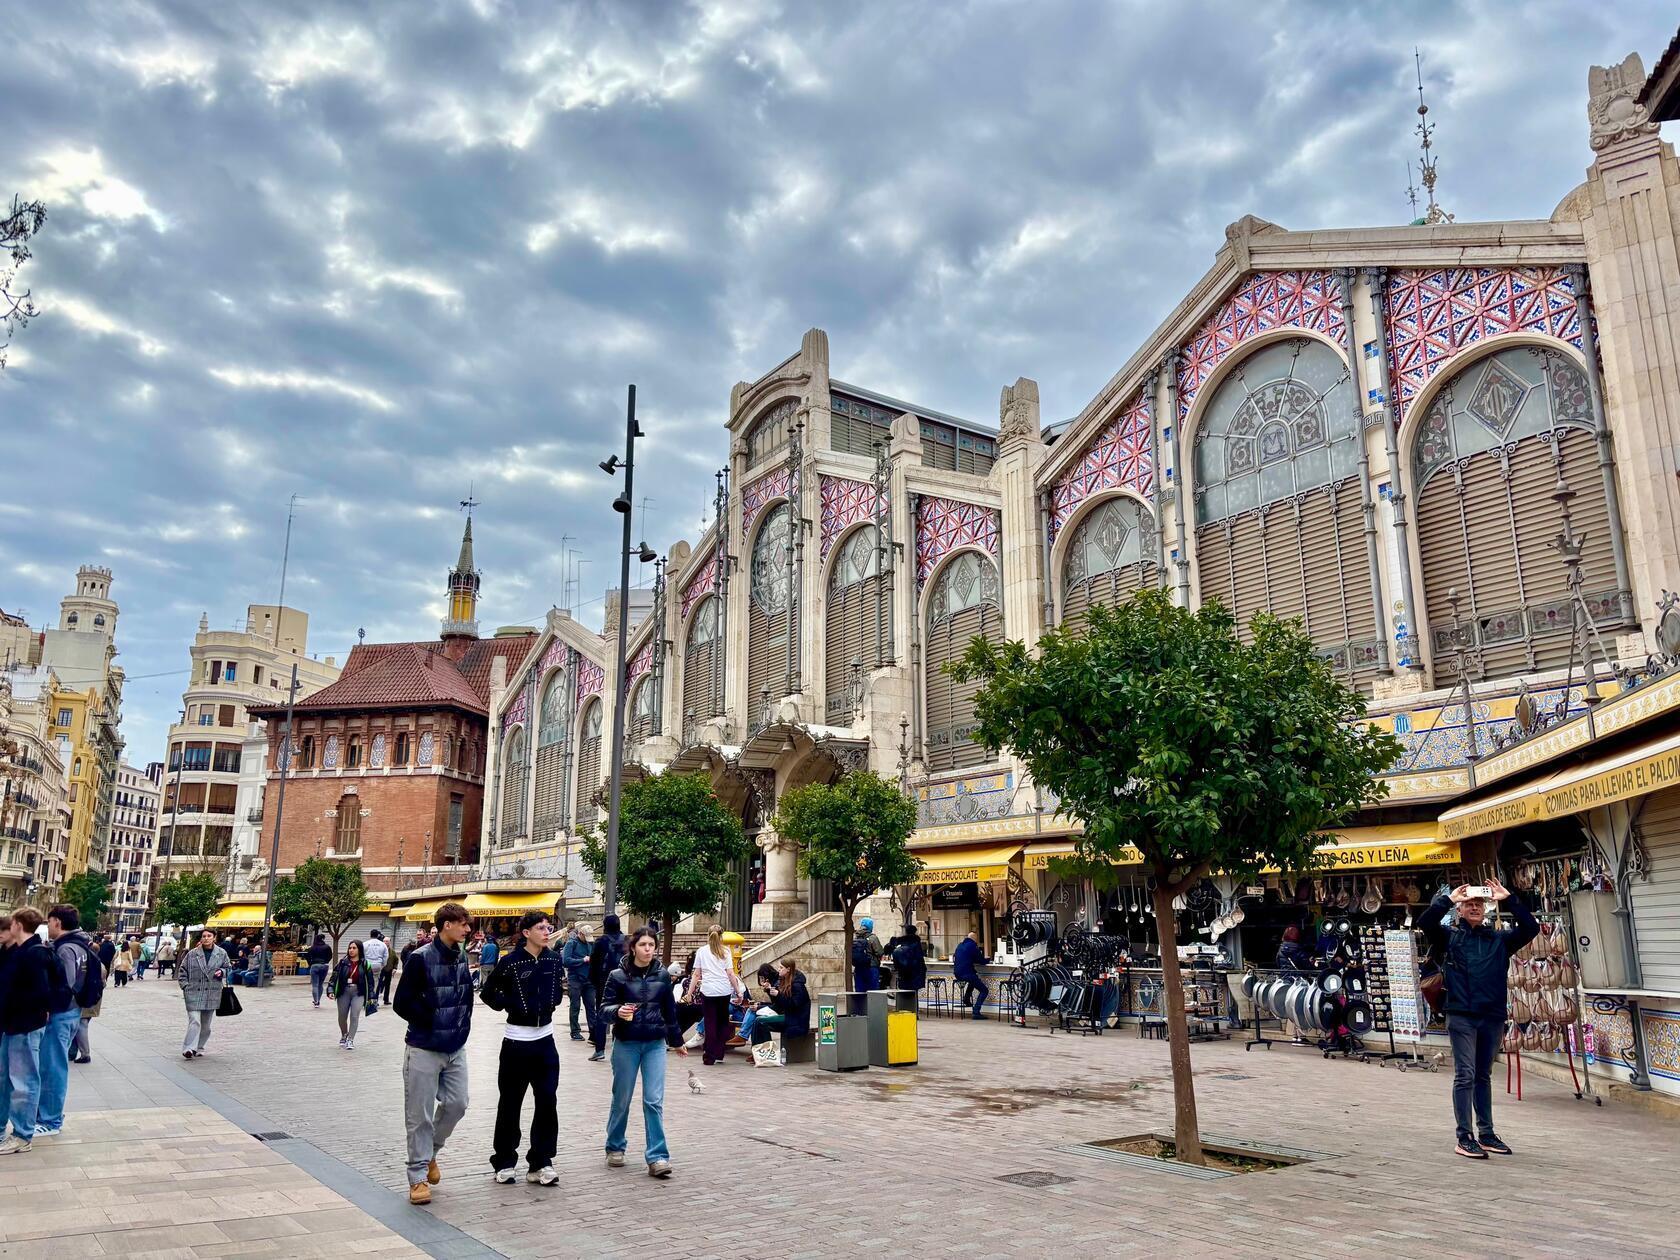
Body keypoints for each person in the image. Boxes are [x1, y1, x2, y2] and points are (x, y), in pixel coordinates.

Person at [1420, 879, 1537, 1160]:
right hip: (1461, 1014)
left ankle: (1486, 1133)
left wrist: (1508, 899)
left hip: (1492, 1016)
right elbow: (1426, 923)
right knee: (1466, 1074)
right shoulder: (1449, 937)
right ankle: (1464, 1136)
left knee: (1483, 1075)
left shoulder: (1499, 940)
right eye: (1469, 904)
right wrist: (1449, 899)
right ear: (1460, 910)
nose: (1474, 908)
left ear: (1485, 909)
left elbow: (1531, 928)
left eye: (1478, 904)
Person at [392, 903, 473, 1206]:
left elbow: (465, 996)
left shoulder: (460, 956)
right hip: (424, 1047)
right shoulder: (420, 958)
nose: (468, 929)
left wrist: (461, 1025)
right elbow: (402, 1002)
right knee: (419, 1115)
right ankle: (417, 1176)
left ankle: (430, 1154)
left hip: (455, 1047)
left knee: (457, 1104)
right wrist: (431, 1019)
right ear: (446, 925)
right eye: (463, 924)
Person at [479, 911, 565, 1186]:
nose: (546, 932)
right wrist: (511, 1003)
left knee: (547, 1101)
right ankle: (504, 1161)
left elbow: (557, 992)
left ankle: (541, 1162)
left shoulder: (554, 959)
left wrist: (550, 1003)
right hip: (516, 1043)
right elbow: (488, 993)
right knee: (510, 1102)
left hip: (546, 1042)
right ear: (526, 933)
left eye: (548, 927)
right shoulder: (511, 962)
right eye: (540, 928)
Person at [600, 926, 684, 1177]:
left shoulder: (663, 976)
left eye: (651, 945)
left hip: (655, 1044)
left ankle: (657, 1156)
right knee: (622, 1098)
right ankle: (615, 1146)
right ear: (633, 948)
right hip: (627, 1043)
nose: (648, 949)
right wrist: (618, 1011)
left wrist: (677, 1040)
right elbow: (603, 1009)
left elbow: (670, 1011)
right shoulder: (617, 976)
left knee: (653, 1100)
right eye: (643, 945)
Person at [38, 905, 99, 1136]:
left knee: (53, 1066)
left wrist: (48, 1008)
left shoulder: (65, 948)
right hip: (72, 1012)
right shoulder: (80, 944)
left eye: (49, 921)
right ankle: (49, 1117)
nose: (48, 926)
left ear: (57, 922)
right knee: (55, 1064)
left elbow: (65, 985)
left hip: (61, 1013)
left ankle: (50, 1120)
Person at [0, 908, 57, 1154]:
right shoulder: (21, 951)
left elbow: (40, 993)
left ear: (18, 925)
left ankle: (23, 1135)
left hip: (24, 1025)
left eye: (12, 922)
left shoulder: (34, 954)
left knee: (24, 1082)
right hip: (12, 1024)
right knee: (6, 1079)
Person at [177, 928, 230, 1060]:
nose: (206, 938)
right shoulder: (192, 954)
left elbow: (228, 968)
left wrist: (222, 972)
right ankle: (189, 1048)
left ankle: (199, 1047)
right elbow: (182, 970)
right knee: (195, 1021)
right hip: (193, 991)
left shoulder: (221, 953)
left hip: (211, 992)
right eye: (204, 936)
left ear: (214, 938)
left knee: (206, 1025)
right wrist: (185, 986)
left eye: (209, 936)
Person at [747, 956, 811, 1064]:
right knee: (758, 1020)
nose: (779, 970)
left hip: (796, 1020)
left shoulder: (798, 985)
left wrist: (778, 995)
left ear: (788, 969)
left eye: (781, 968)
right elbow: (778, 1004)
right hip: (787, 1016)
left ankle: (767, 1053)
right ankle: (758, 1052)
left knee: (760, 1021)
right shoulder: (783, 981)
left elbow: (793, 1005)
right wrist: (770, 991)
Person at [692, 925, 740, 1066]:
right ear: (721, 936)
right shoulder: (726, 951)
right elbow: (730, 973)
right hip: (723, 990)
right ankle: (719, 1052)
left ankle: (709, 1055)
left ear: (708, 935)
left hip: (708, 991)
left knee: (710, 1022)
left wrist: (689, 992)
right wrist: (738, 991)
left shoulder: (701, 951)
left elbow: (696, 974)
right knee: (722, 1022)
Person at [586, 915, 627, 1063]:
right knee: (622, 1015)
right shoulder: (626, 940)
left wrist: (593, 981)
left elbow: (594, 963)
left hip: (604, 982)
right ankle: (619, 1049)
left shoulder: (601, 941)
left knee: (602, 1015)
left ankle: (599, 1050)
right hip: (624, 982)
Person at [329, 940, 374, 1049]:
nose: (351, 950)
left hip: (358, 992)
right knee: (342, 1017)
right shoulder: (342, 962)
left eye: (354, 948)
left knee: (354, 1016)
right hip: (343, 991)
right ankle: (344, 1034)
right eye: (350, 948)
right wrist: (330, 990)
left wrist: (371, 996)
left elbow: (370, 982)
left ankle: (350, 1039)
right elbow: (334, 977)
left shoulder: (365, 964)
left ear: (359, 950)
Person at [560, 923, 594, 1042]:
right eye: (586, 936)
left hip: (588, 979)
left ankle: (593, 1031)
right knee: (575, 1006)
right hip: (575, 979)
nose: (587, 939)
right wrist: (582, 960)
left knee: (591, 1006)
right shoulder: (571, 943)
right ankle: (575, 1031)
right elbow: (565, 961)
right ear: (580, 934)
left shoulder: (590, 944)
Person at [951, 930, 988, 1020]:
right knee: (984, 990)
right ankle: (976, 1012)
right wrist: (988, 959)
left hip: (957, 973)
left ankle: (966, 1000)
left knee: (972, 981)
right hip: (967, 973)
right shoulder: (973, 946)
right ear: (974, 938)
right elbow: (981, 961)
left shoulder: (960, 945)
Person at [889, 924, 926, 996]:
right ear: (915, 932)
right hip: (915, 972)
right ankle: (913, 1003)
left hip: (903, 973)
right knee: (913, 993)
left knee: (904, 993)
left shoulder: (899, 942)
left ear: (906, 932)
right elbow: (920, 957)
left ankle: (904, 1003)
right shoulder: (916, 942)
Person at [852, 918, 882, 994]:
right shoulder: (873, 937)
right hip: (871, 967)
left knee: (860, 992)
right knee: (873, 992)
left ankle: (860, 1002)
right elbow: (880, 952)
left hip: (858, 967)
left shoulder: (856, 937)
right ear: (870, 926)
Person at [363, 931, 390, 1011]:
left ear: (370, 935)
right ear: (378, 935)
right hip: (377, 965)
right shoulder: (382, 944)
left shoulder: (365, 944)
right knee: (375, 984)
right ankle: (372, 1002)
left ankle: (366, 1000)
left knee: (366, 982)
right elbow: (386, 956)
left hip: (367, 964)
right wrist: (382, 965)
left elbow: (362, 955)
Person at [305, 934, 333, 1008]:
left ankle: (316, 1001)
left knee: (315, 985)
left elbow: (307, 956)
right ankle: (318, 1000)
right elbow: (330, 956)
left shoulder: (312, 948)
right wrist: (326, 961)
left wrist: (310, 963)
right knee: (320, 984)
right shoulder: (327, 947)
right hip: (324, 966)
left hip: (314, 965)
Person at [377, 933, 398, 1005]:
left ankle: (386, 1000)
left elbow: (396, 960)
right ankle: (376, 1000)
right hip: (380, 970)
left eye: (387, 941)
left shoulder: (392, 951)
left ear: (390, 942)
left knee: (387, 985)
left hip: (389, 970)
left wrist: (395, 968)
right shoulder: (379, 950)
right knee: (378, 984)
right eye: (384, 941)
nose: (385, 942)